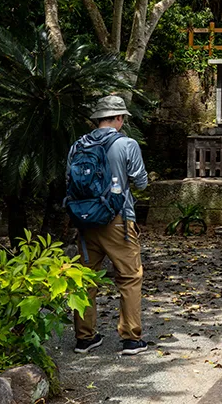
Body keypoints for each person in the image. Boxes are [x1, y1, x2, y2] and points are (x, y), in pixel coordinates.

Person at [68, 95, 149, 356]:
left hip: (85, 222)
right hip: (118, 222)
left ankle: (84, 338)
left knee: (85, 278)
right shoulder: (127, 144)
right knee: (129, 277)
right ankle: (131, 339)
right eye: (122, 118)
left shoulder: (78, 145)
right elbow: (141, 182)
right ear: (118, 118)